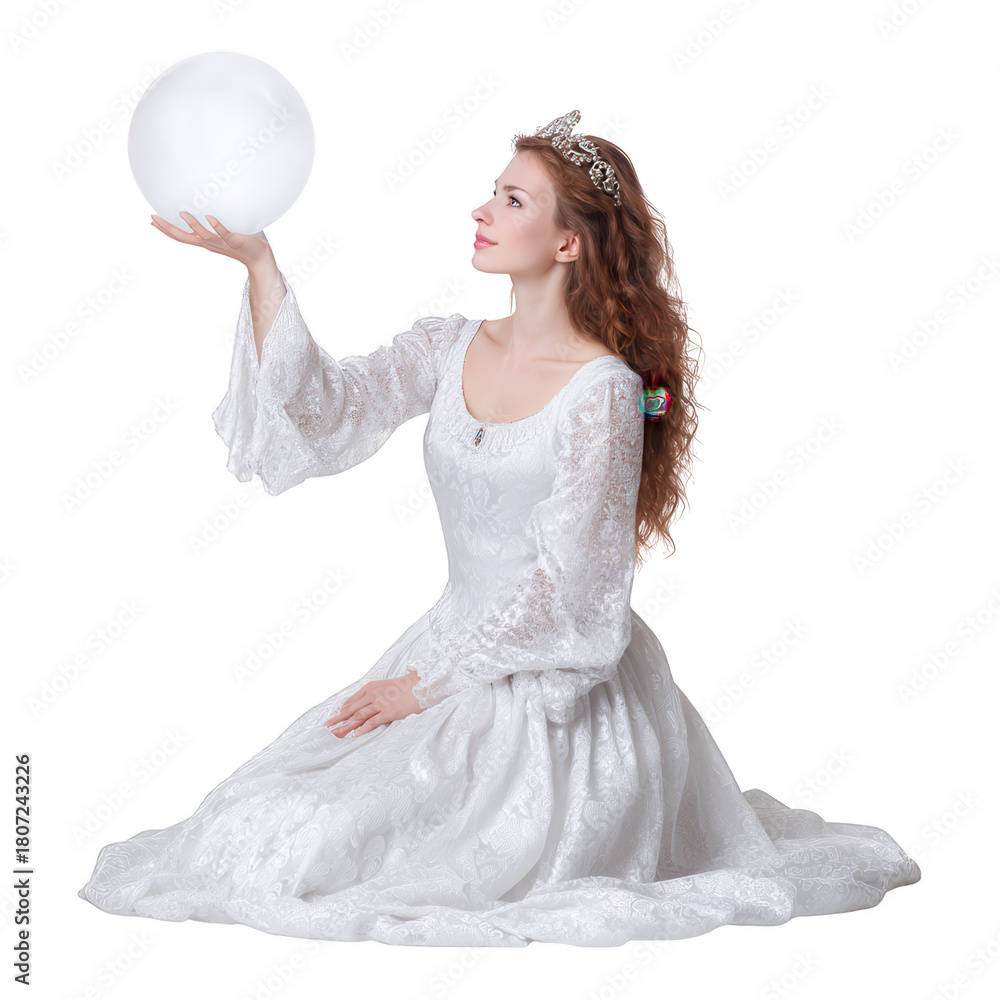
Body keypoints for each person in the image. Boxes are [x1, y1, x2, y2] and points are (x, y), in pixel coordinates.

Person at [78, 110, 920, 945]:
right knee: (254, 821)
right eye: (492, 193)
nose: (482, 212)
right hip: (443, 649)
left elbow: (571, 590)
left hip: (556, 688)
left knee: (327, 850)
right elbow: (322, 415)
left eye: (513, 200)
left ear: (568, 243)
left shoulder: (603, 393)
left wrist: (426, 685)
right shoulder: (451, 345)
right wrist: (261, 266)